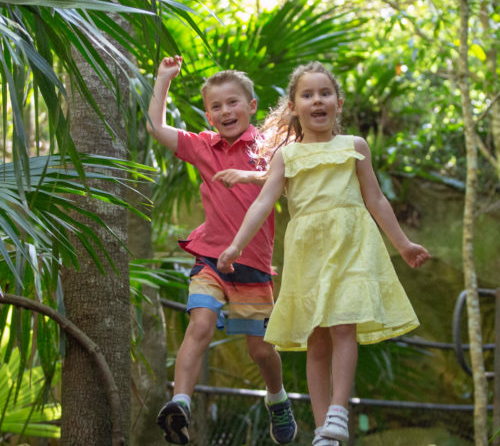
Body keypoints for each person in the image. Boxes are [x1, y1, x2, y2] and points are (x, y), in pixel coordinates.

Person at [217, 62, 429, 446]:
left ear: (338, 102)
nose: (317, 100)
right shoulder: (287, 156)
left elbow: (376, 199)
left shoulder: (354, 147)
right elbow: (263, 204)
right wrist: (235, 245)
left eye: (324, 93)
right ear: (294, 107)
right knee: (316, 338)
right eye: (308, 95)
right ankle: (323, 432)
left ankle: (338, 412)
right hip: (308, 253)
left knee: (345, 323)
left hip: (351, 246)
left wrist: (403, 244)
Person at [147, 56, 297, 445]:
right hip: (210, 258)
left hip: (253, 266)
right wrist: (163, 79)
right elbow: (157, 128)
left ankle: (277, 399)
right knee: (199, 325)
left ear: (251, 107)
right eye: (216, 106)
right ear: (209, 117)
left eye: (233, 102)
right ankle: (179, 404)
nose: (225, 111)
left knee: (260, 351)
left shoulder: (271, 149)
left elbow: (297, 166)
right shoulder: (203, 146)